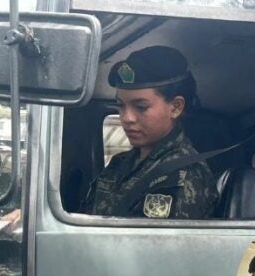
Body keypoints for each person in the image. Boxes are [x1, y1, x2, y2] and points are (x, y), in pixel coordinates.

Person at [84, 46, 217, 218]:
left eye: (141, 107)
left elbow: (156, 243)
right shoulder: (119, 163)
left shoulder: (183, 174)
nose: (127, 118)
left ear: (175, 107)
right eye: (120, 105)